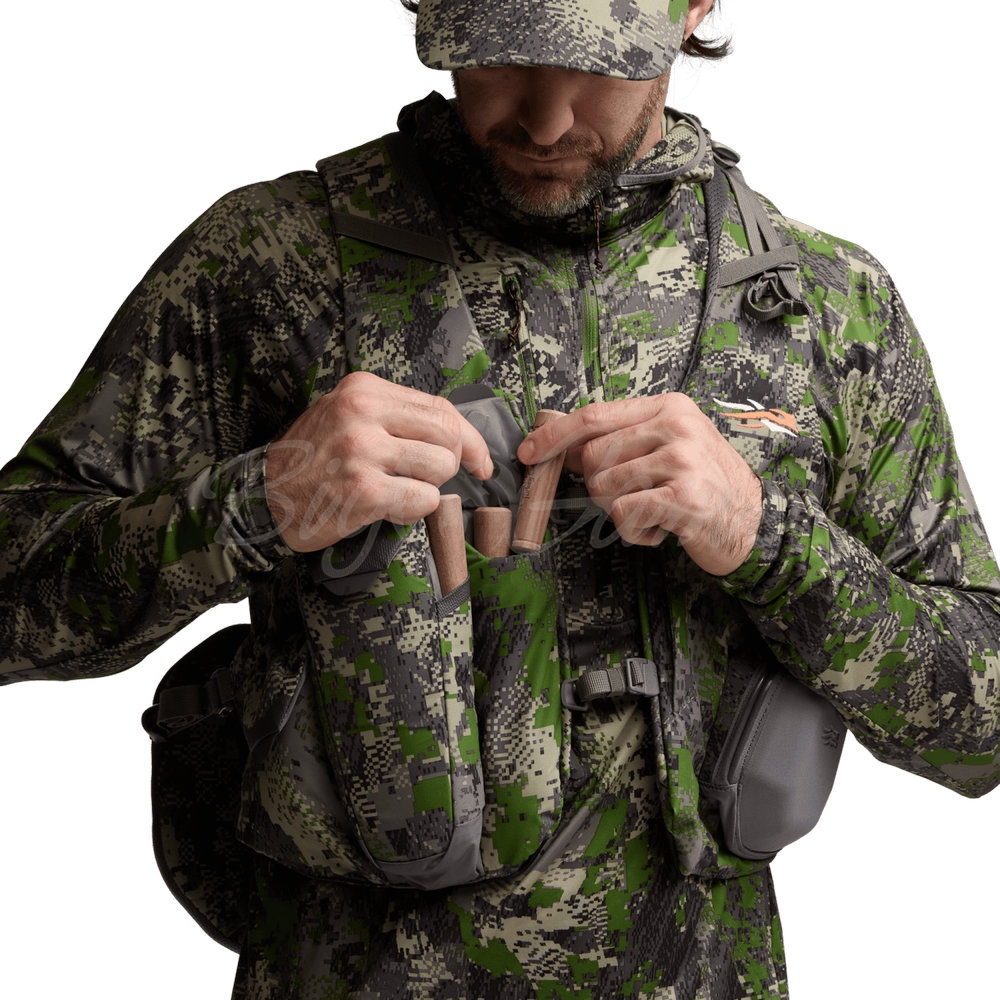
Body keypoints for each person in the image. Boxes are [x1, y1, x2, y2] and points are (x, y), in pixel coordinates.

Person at [1, 2, 999, 998]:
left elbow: (983, 727)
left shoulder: (823, 306)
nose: (545, 120)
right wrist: (254, 504)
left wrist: (768, 538)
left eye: (596, 65)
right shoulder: (273, 262)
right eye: (496, 58)